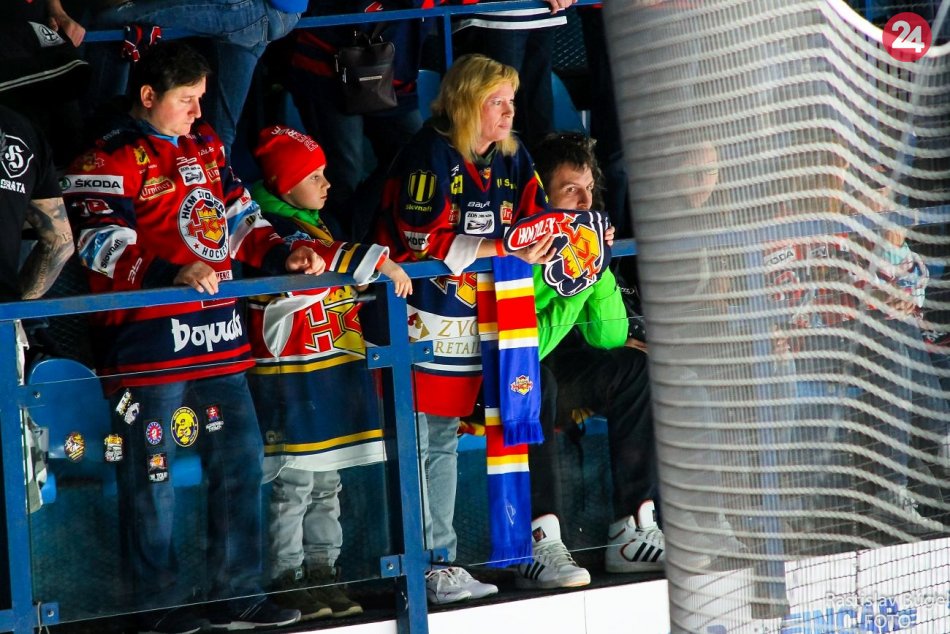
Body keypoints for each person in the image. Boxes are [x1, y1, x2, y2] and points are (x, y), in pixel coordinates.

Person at [61, 40, 324, 634]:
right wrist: (170, 273)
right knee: (151, 476)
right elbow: (97, 244)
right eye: (187, 99)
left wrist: (283, 252)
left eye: (202, 99)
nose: (199, 113)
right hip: (148, 350)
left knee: (241, 461)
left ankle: (239, 595)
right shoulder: (106, 155)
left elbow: (239, 219)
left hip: (221, 340)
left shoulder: (206, 144)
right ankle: (155, 608)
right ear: (147, 95)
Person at [372, 53, 556, 605]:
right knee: (419, 440)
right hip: (412, 315)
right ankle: (424, 568)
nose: (508, 112)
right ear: (464, 103)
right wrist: (504, 246)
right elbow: (419, 240)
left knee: (444, 441)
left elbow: (539, 218)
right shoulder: (428, 152)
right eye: (496, 102)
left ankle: (443, 561)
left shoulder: (512, 153)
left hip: (473, 321)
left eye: (511, 101)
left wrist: (575, 236)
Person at [244, 124, 411, 620]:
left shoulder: (317, 224)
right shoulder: (271, 231)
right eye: (313, 175)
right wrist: (380, 263)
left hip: (330, 379)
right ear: (283, 184)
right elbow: (312, 265)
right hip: (292, 380)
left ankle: (323, 573)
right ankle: (287, 578)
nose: (327, 183)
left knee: (326, 485)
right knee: (294, 484)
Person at [514, 132, 662, 589]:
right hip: (502, 373)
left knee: (635, 368)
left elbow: (608, 336)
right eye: (570, 190)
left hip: (558, 369)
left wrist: (595, 268)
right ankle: (539, 543)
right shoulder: (519, 245)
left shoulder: (584, 240)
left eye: (589, 190)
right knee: (536, 379)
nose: (584, 202)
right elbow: (526, 347)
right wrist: (575, 287)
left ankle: (632, 530)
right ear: (542, 195)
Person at [279, 0, 430, 241]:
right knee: (343, 174)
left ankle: (367, 238)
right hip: (327, 70)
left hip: (394, 77)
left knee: (418, 156)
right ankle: (346, 248)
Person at [83, 0, 304, 155]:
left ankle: (100, 146)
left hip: (256, 8)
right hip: (282, 13)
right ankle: (215, 203)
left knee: (112, 20)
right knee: (216, 139)